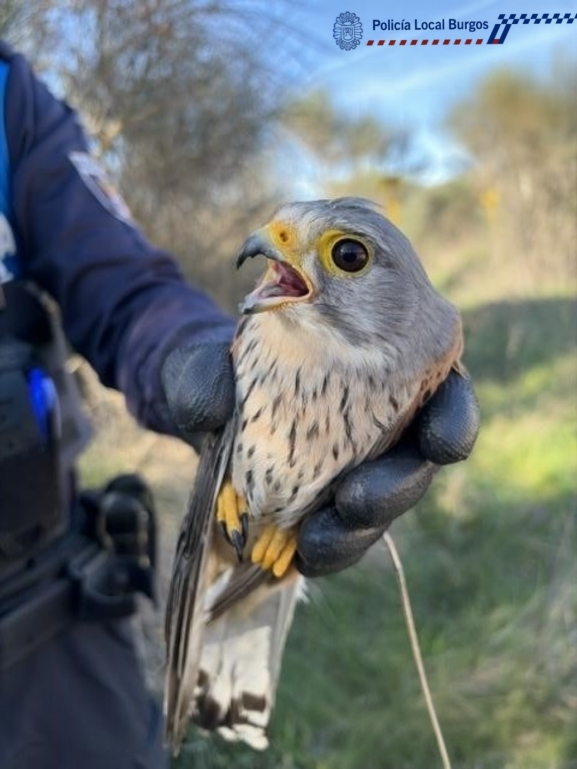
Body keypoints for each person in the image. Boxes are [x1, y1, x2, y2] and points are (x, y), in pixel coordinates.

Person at [0, 40, 479, 769]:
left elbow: (126, 292)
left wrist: (193, 359)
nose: (271, 244)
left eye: (341, 253)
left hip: (35, 600)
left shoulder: (10, 99)